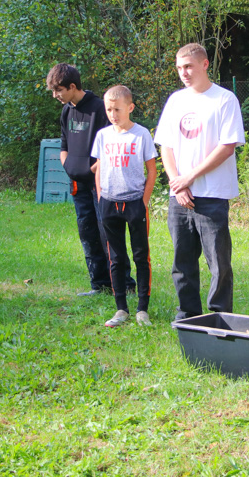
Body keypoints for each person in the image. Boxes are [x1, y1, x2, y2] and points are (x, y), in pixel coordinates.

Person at [154, 43, 245, 320]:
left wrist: (189, 178)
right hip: (179, 198)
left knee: (218, 264)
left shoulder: (224, 100)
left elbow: (227, 146)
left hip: (212, 196)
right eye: (180, 68)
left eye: (189, 66)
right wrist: (176, 184)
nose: (184, 72)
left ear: (205, 64)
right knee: (182, 263)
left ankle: (219, 317)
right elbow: (165, 146)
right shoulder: (175, 100)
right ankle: (188, 315)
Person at [47, 63, 133, 296]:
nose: (55, 95)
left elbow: (113, 142)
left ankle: (124, 284)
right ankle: (100, 284)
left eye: (58, 90)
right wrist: (69, 166)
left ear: (72, 86)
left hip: (101, 184)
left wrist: (94, 169)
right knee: (87, 233)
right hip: (78, 185)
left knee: (108, 232)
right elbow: (64, 145)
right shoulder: (66, 110)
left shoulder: (99, 108)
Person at [91, 86, 157, 327]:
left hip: (134, 203)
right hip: (109, 203)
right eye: (109, 109)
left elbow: (152, 170)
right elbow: (98, 168)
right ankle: (121, 309)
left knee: (141, 255)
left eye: (117, 109)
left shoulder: (141, 135)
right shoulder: (103, 135)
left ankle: (142, 309)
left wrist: (144, 200)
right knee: (116, 257)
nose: (113, 114)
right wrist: (100, 197)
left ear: (130, 108)